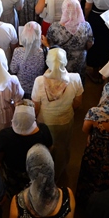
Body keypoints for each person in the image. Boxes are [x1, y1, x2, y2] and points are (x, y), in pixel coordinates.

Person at [30, 48, 82, 183]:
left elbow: (36, 106)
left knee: (45, 148)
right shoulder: (75, 78)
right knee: (63, 147)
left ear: (48, 62)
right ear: (65, 61)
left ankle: (45, 173)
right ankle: (60, 172)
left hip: (45, 122)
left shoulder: (39, 81)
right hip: (65, 120)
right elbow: (77, 103)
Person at [0, 101, 53, 195]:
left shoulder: (5, 135)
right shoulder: (43, 131)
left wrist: (3, 164)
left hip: (13, 173)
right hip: (35, 172)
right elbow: (49, 149)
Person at [10, 22, 45, 98]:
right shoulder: (44, 53)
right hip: (38, 88)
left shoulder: (18, 51)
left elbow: (13, 69)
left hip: (21, 88)